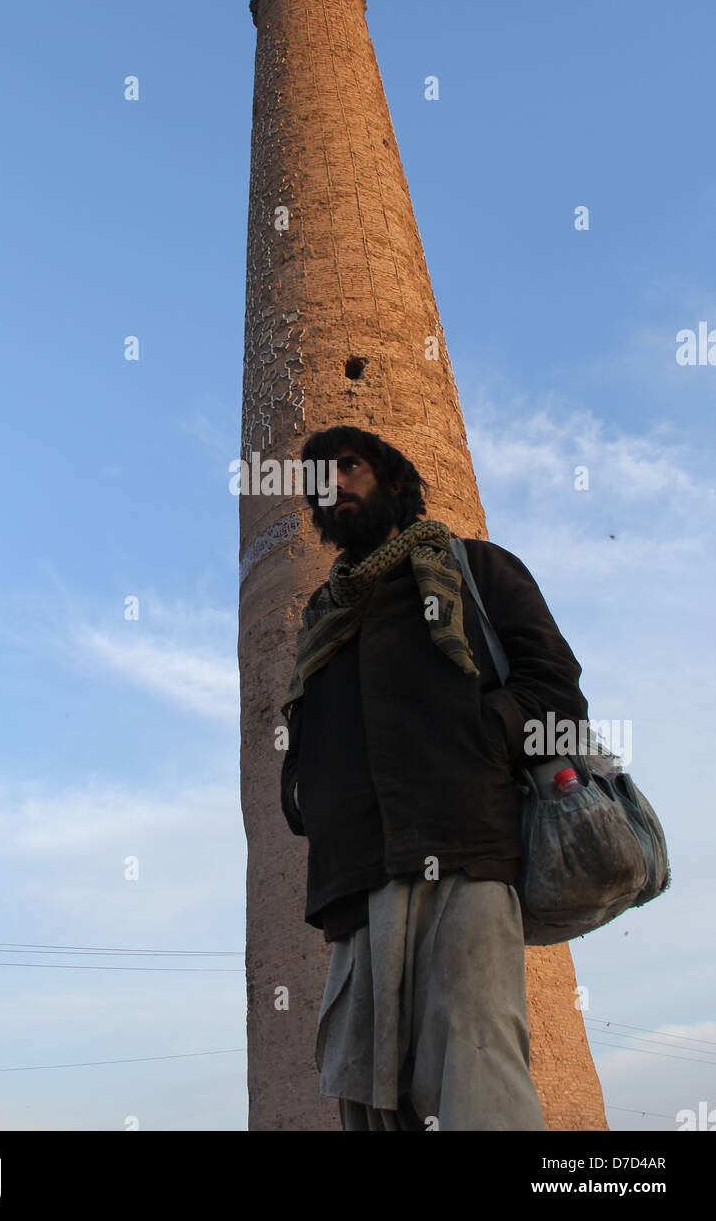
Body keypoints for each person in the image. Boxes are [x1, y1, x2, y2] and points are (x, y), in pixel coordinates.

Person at [279, 425, 589, 1131]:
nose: (333, 487)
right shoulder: (323, 620)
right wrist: (301, 795)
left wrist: (478, 740)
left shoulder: (478, 570)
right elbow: (304, 737)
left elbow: (557, 698)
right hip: (354, 886)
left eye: (349, 467)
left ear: (394, 480)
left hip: (464, 856)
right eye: (317, 483)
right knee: (365, 1100)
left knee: (476, 1072)